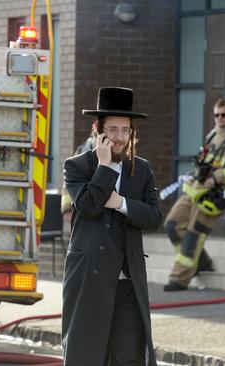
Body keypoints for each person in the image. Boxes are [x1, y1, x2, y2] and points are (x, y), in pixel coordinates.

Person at [62, 86, 162, 365]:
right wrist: (105, 166)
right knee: (86, 355)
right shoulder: (77, 166)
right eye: (113, 130)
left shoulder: (141, 170)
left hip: (128, 283)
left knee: (129, 356)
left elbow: (154, 217)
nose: (120, 138)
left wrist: (121, 203)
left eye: (125, 130)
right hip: (89, 279)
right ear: (98, 129)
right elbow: (89, 206)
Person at [163, 98, 225, 291]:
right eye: (216, 115)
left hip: (214, 195)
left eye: (224, 115)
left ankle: (179, 278)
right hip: (196, 189)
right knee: (172, 224)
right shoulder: (212, 135)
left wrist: (217, 178)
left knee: (193, 235)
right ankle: (201, 262)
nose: (220, 118)